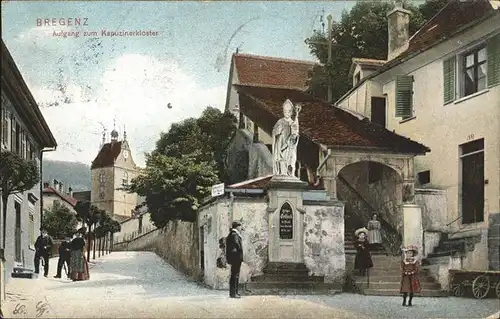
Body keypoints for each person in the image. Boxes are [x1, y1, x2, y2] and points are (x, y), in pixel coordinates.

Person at [226, 221, 243, 298]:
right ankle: (233, 293)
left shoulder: (232, 234)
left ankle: (234, 292)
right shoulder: (234, 234)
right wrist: (240, 251)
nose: (241, 228)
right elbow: (237, 244)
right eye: (240, 226)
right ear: (237, 227)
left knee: (235, 275)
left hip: (234, 257)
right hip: (236, 257)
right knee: (235, 275)